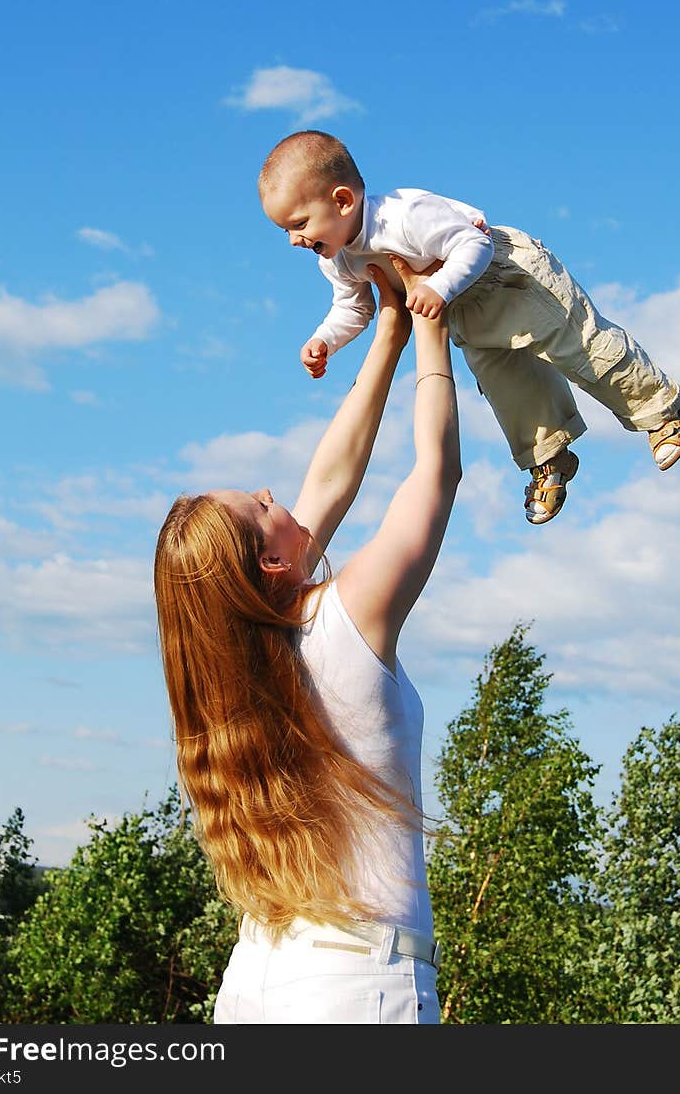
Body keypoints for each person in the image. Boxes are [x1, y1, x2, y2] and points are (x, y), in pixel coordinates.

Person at [154, 254, 460, 1024]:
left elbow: (330, 478)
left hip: (260, 975)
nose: (274, 492)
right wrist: (433, 323)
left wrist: (387, 328)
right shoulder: (346, 617)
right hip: (355, 988)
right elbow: (436, 474)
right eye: (260, 504)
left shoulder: (231, 673)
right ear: (272, 562)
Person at [258, 128, 680, 526]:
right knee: (511, 389)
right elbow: (352, 308)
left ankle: (659, 410)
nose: (294, 239)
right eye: (285, 230)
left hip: (508, 280)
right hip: (464, 313)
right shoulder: (335, 259)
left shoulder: (405, 216)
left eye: (299, 224)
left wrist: (440, 286)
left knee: (580, 347)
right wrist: (324, 341)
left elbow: (474, 243)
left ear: (343, 201)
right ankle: (550, 460)